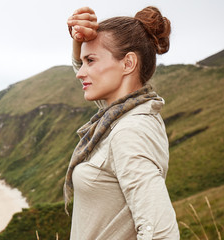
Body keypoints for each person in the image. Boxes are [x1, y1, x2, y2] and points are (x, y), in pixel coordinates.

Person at [63, 6, 180, 239]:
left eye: (91, 60)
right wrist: (78, 39)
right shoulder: (120, 114)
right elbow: (83, 70)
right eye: (83, 61)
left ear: (128, 64)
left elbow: (160, 232)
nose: (80, 72)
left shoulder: (130, 130)